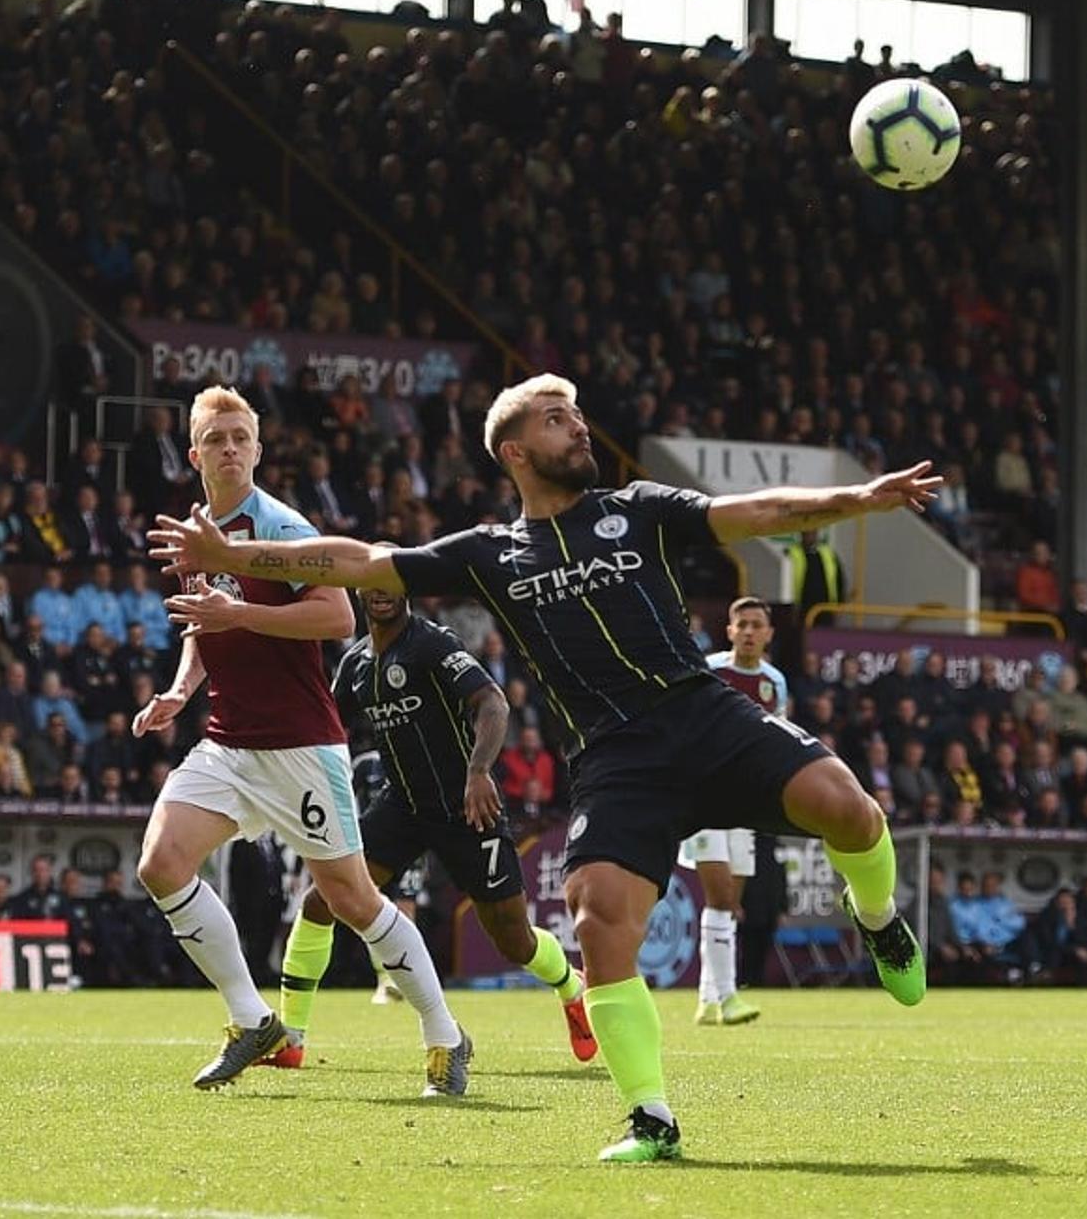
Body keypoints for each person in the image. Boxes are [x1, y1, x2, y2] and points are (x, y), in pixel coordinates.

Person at [156, 372, 931, 1163]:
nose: (580, 428)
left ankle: (876, 919)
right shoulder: (492, 553)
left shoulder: (638, 508)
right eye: (560, 420)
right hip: (617, 757)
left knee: (851, 809)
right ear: (517, 450)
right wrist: (233, 553)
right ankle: (651, 1119)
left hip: (705, 715)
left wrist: (863, 497)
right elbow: (360, 560)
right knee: (596, 918)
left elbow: (755, 513)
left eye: (579, 415)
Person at [132, 386, 469, 1095]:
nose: (229, 448)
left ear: (257, 449)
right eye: (216, 438)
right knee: (161, 865)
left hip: (298, 746)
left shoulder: (281, 529)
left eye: (240, 437)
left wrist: (239, 612)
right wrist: (180, 689)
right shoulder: (199, 531)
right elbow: (206, 623)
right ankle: (253, 1019)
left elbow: (336, 619)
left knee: (352, 900)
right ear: (194, 453)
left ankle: (445, 1033)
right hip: (229, 741)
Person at [261, 583, 594, 1070]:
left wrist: (479, 772)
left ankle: (571, 986)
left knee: (513, 939)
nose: (380, 592)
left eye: (391, 584)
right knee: (323, 900)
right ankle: (291, 1039)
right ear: (357, 592)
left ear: (407, 591)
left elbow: (493, 704)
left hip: (464, 806)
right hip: (401, 807)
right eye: (370, 584)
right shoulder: (356, 666)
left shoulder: (433, 644)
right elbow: (328, 729)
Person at [681, 595, 788, 1026]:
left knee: (728, 903)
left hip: (745, 803)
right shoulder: (710, 670)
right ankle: (727, 998)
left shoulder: (774, 682)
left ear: (768, 633)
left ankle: (707, 998)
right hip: (705, 798)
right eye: (740, 623)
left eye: (755, 624)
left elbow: (777, 739)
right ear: (728, 630)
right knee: (721, 894)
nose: (747, 631)